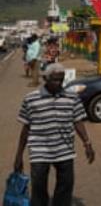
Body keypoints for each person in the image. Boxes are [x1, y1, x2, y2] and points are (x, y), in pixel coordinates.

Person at [13, 63, 95, 206]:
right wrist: (19, 155)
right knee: (38, 187)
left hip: (64, 149)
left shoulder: (71, 97)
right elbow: (26, 127)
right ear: (46, 79)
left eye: (61, 80)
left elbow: (78, 121)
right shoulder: (31, 99)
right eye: (55, 80)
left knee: (66, 185)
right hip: (39, 150)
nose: (59, 83)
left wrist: (87, 143)